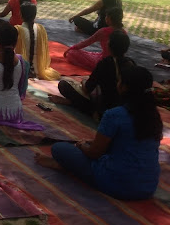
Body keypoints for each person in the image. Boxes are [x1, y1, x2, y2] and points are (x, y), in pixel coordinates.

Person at [36, 66, 162, 200]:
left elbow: (94, 153)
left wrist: (82, 146)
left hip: (116, 183)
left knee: (59, 149)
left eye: (119, 82)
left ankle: (65, 166)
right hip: (147, 187)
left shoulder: (115, 115)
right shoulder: (154, 116)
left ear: (124, 87)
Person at [53, 30, 135, 117]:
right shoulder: (131, 63)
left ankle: (84, 107)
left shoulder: (105, 63)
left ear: (109, 46)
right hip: (126, 106)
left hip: (106, 106)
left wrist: (84, 82)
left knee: (63, 84)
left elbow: (87, 89)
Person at [65, 7, 126, 71]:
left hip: (104, 63)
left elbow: (86, 42)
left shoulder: (103, 31)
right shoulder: (124, 32)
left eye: (106, 16)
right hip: (119, 63)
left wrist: (71, 48)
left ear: (109, 18)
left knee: (72, 53)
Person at [14, 2, 60, 80]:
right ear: (35, 15)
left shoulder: (17, 29)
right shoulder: (41, 28)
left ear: (21, 14)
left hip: (20, 69)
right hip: (39, 69)